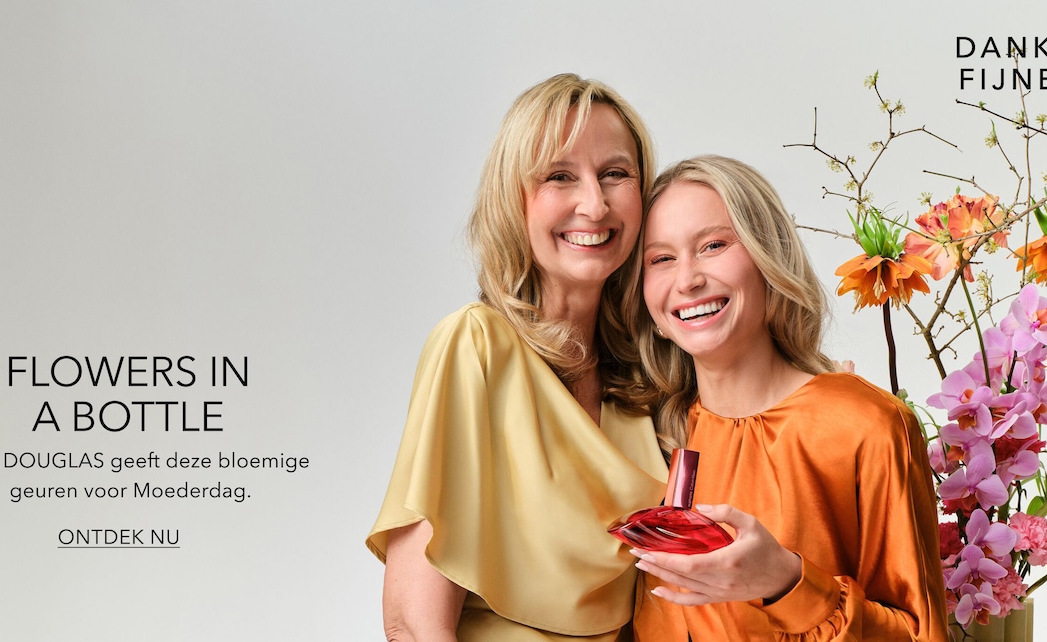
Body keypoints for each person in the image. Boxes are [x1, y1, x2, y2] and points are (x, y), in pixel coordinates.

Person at [366, 74, 668, 642]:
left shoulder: (647, 379)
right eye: (560, 176)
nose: (594, 203)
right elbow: (412, 622)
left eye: (615, 174)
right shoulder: (476, 347)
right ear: (514, 198)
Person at [627, 155, 948, 641]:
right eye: (661, 258)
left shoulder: (870, 426)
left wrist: (787, 583)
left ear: (768, 258)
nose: (687, 279)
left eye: (713, 245)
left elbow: (921, 635)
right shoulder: (646, 437)